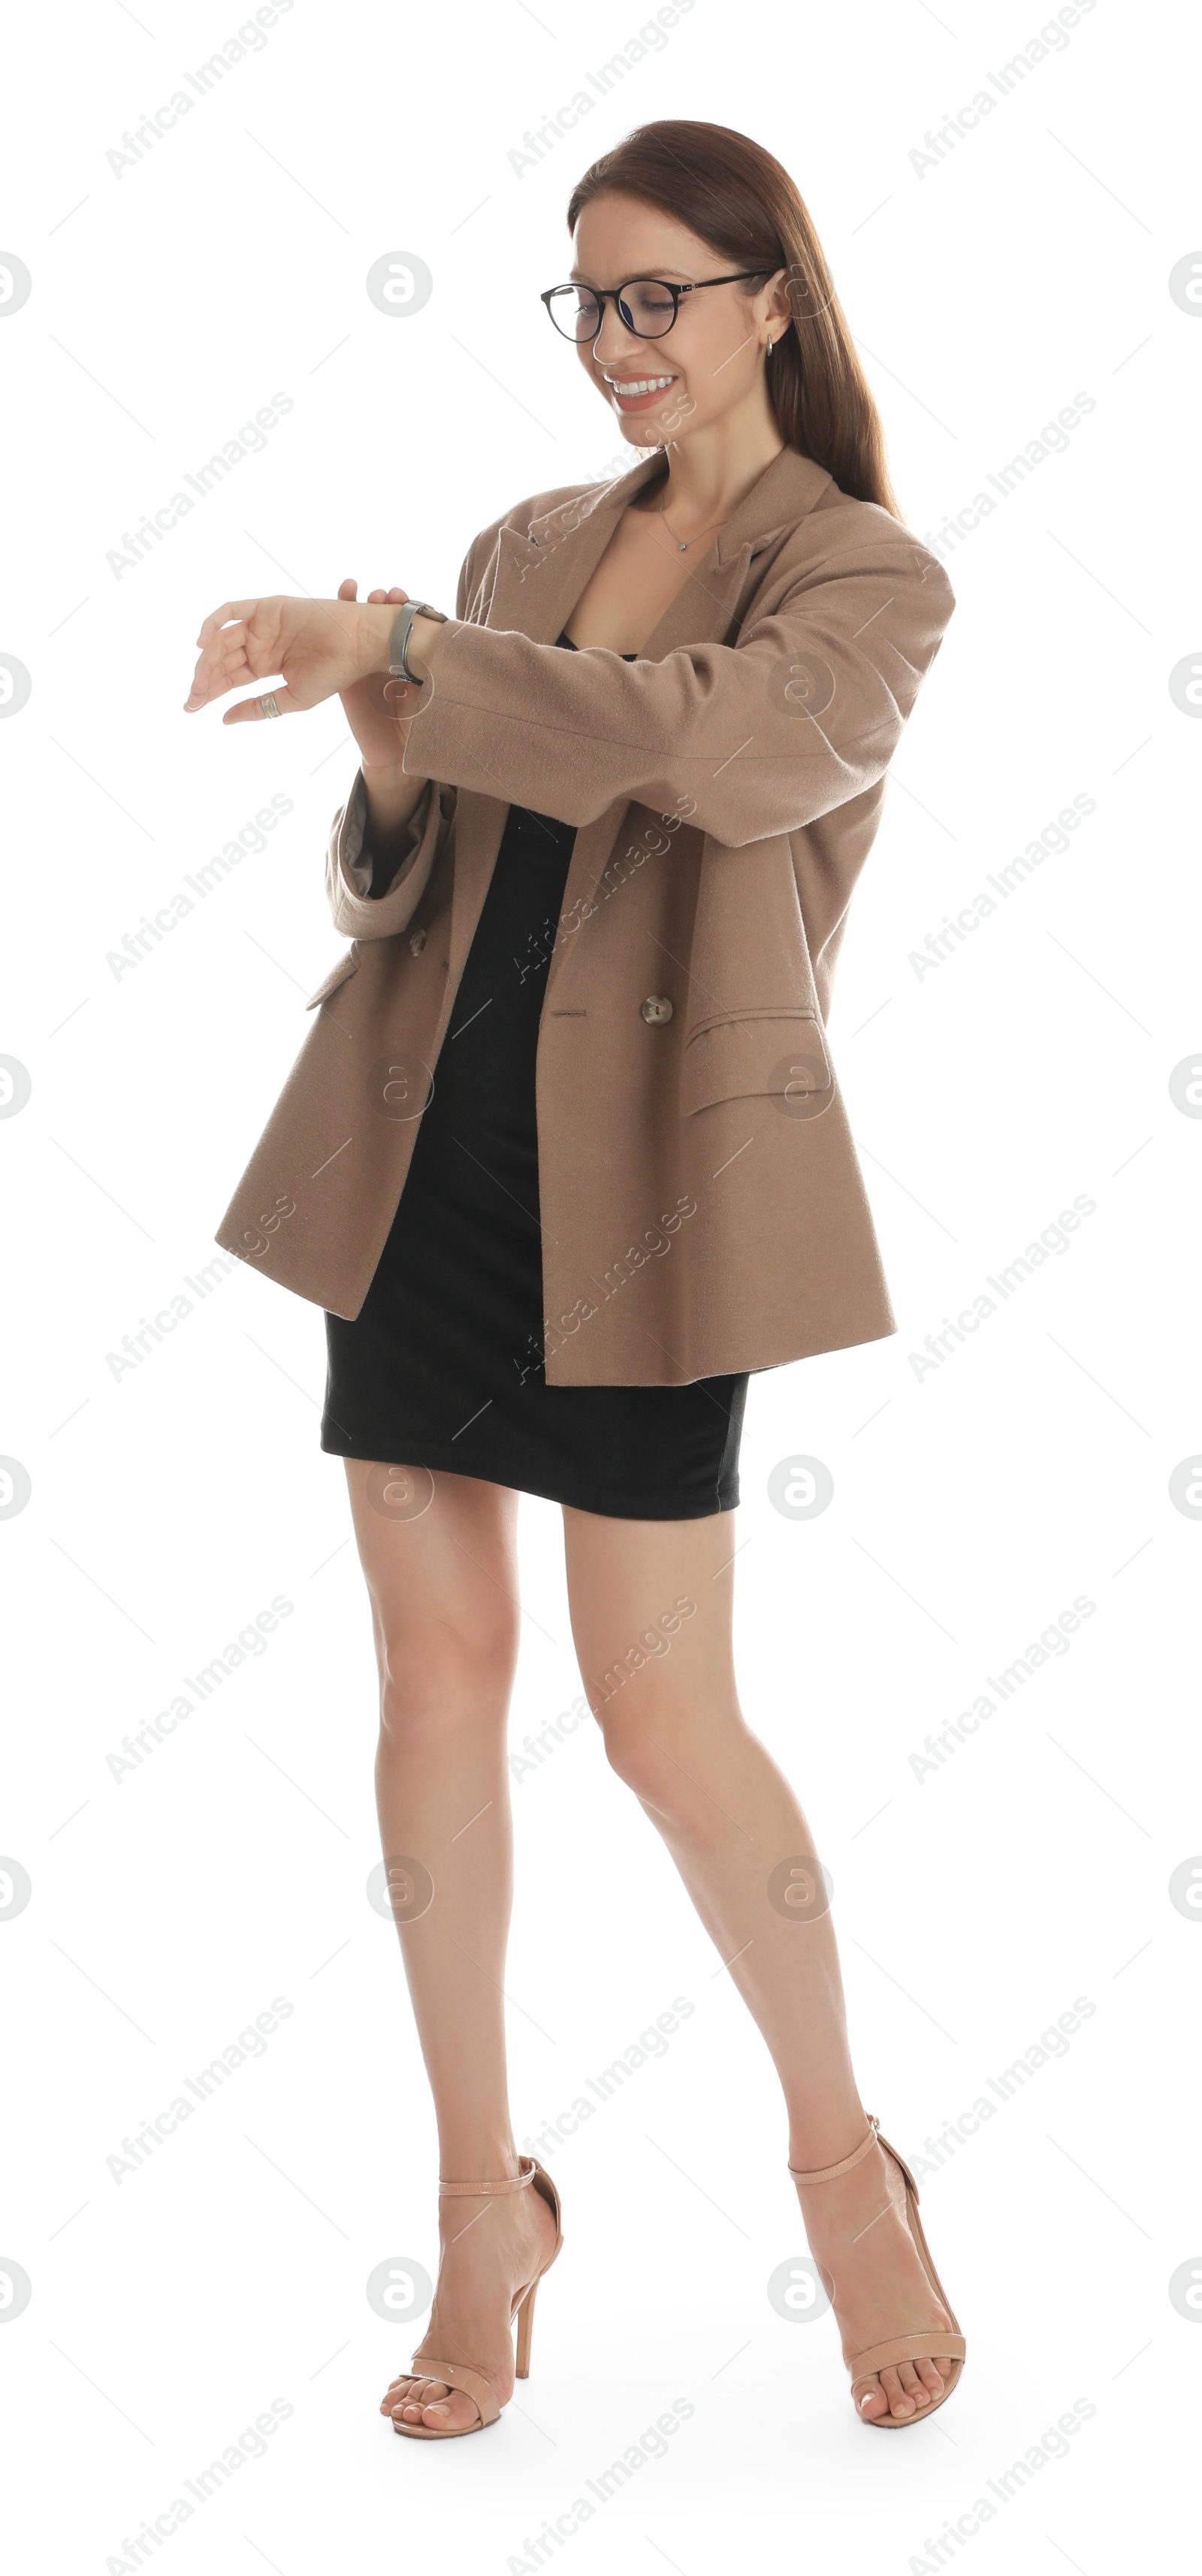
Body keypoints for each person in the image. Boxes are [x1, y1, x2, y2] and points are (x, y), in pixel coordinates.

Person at [183, 119, 965, 2440]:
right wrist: (386, 740)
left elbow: (711, 764)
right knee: (434, 1694)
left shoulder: (869, 578)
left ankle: (847, 2173)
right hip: (416, 1161)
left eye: (655, 298)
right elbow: (410, 871)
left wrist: (421, 653)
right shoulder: (526, 544)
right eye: (586, 302)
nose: (614, 344)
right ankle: (477, 2219)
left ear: (771, 303)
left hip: (649, 1200)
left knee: (661, 1724)